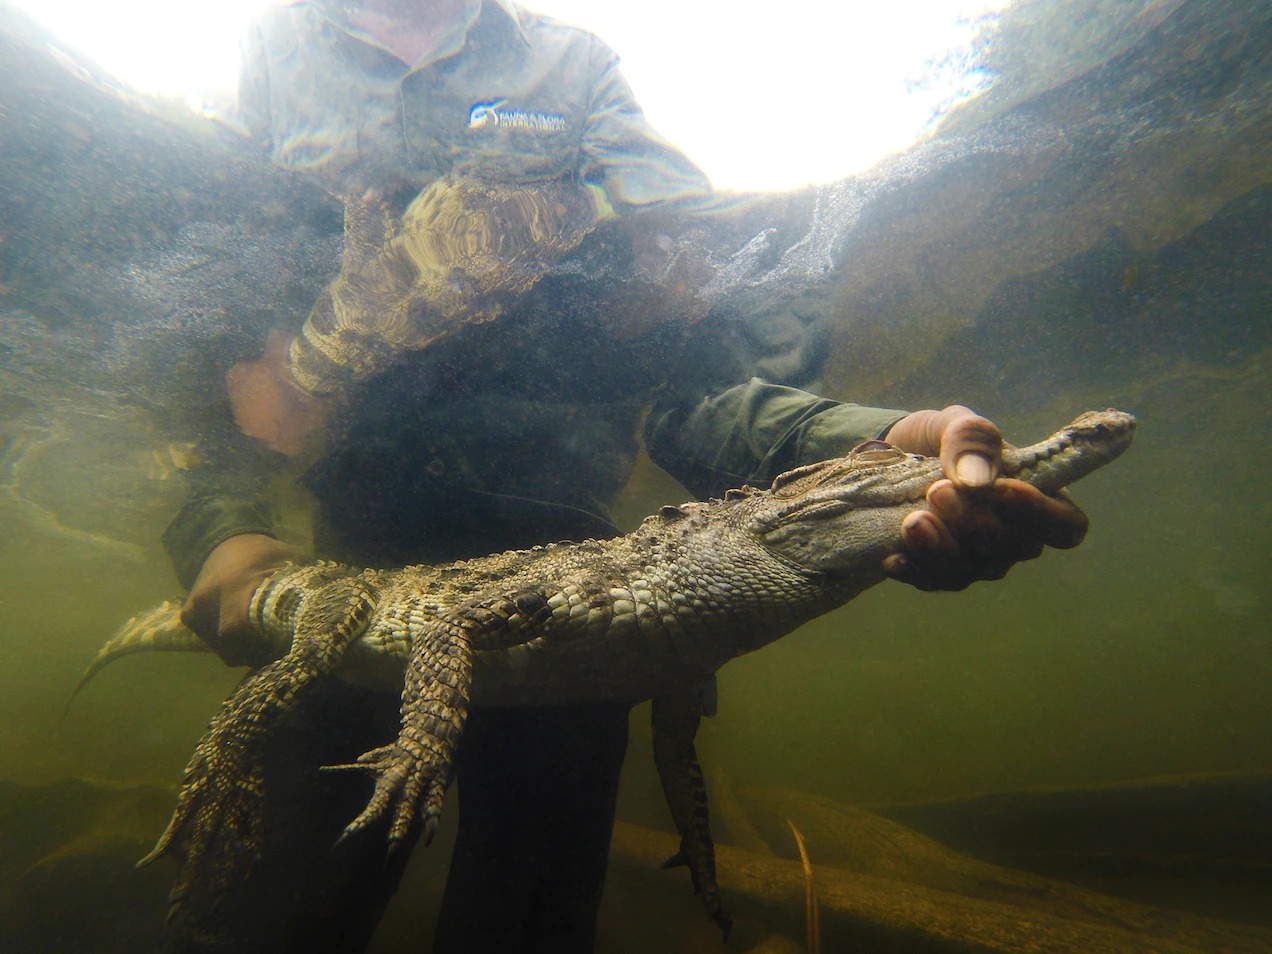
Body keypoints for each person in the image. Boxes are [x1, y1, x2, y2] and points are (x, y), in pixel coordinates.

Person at [162, 1, 1089, 951]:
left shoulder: (575, 67)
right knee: (271, 921)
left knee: (525, 925)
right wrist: (222, 527)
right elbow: (229, 358)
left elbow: (696, 374)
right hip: (356, 576)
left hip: (586, 601)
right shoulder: (273, 57)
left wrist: (884, 437)